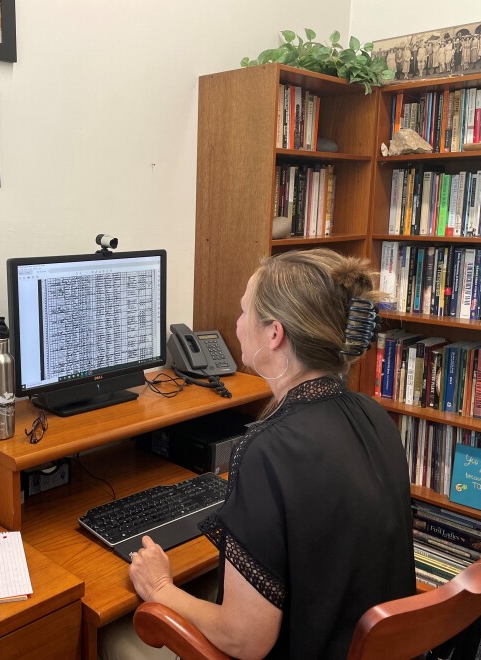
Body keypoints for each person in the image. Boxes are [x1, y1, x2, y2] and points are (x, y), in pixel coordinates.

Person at [105, 249, 415, 660]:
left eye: (245, 310)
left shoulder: (266, 449)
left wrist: (161, 587)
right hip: (365, 644)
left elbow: (244, 639)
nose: (236, 324)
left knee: (111, 634)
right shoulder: (372, 414)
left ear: (274, 334)